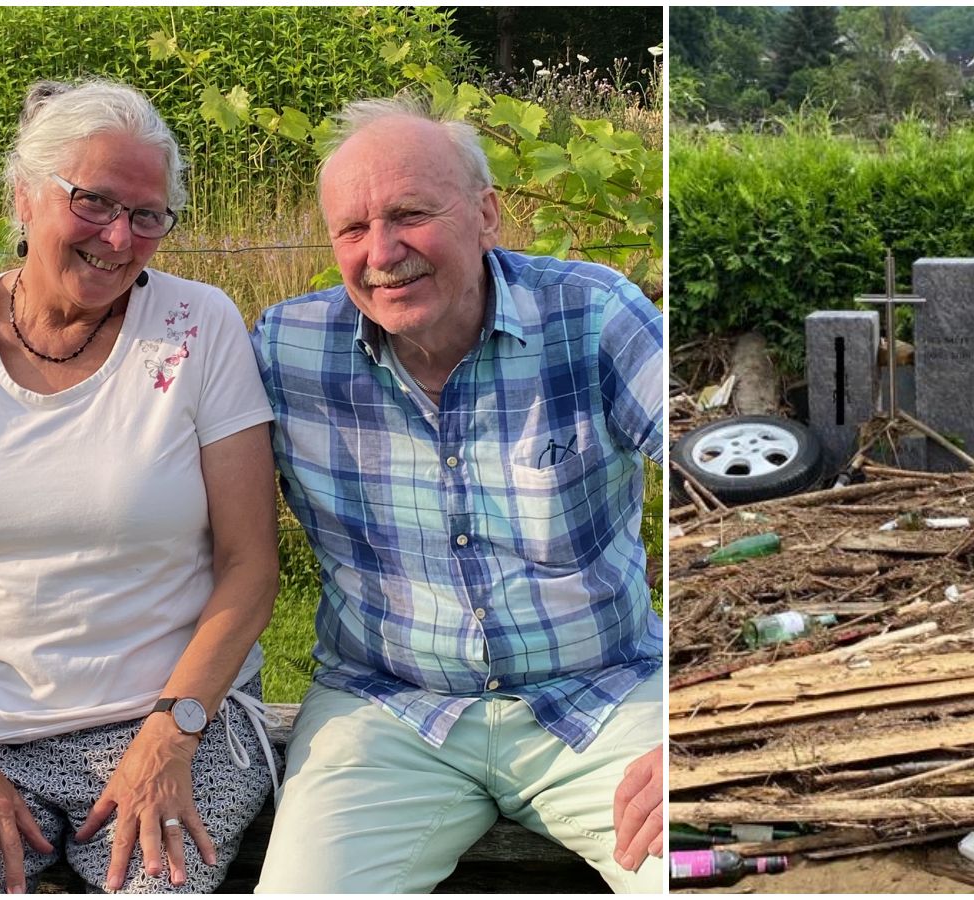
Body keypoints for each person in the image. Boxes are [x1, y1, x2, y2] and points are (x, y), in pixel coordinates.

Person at [251, 95, 664, 893]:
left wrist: (695, 719)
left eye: (410, 213)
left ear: (486, 214)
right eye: (352, 229)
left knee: (705, 862)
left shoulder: (592, 315)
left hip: (604, 698)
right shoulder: (286, 349)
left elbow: (709, 493)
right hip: (386, 713)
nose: (383, 251)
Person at [0, 78, 281, 894]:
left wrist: (169, 737)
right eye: (95, 202)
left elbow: (250, 566)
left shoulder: (200, 327)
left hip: (172, 720)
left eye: (148, 216)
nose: (119, 237)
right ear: (25, 195)